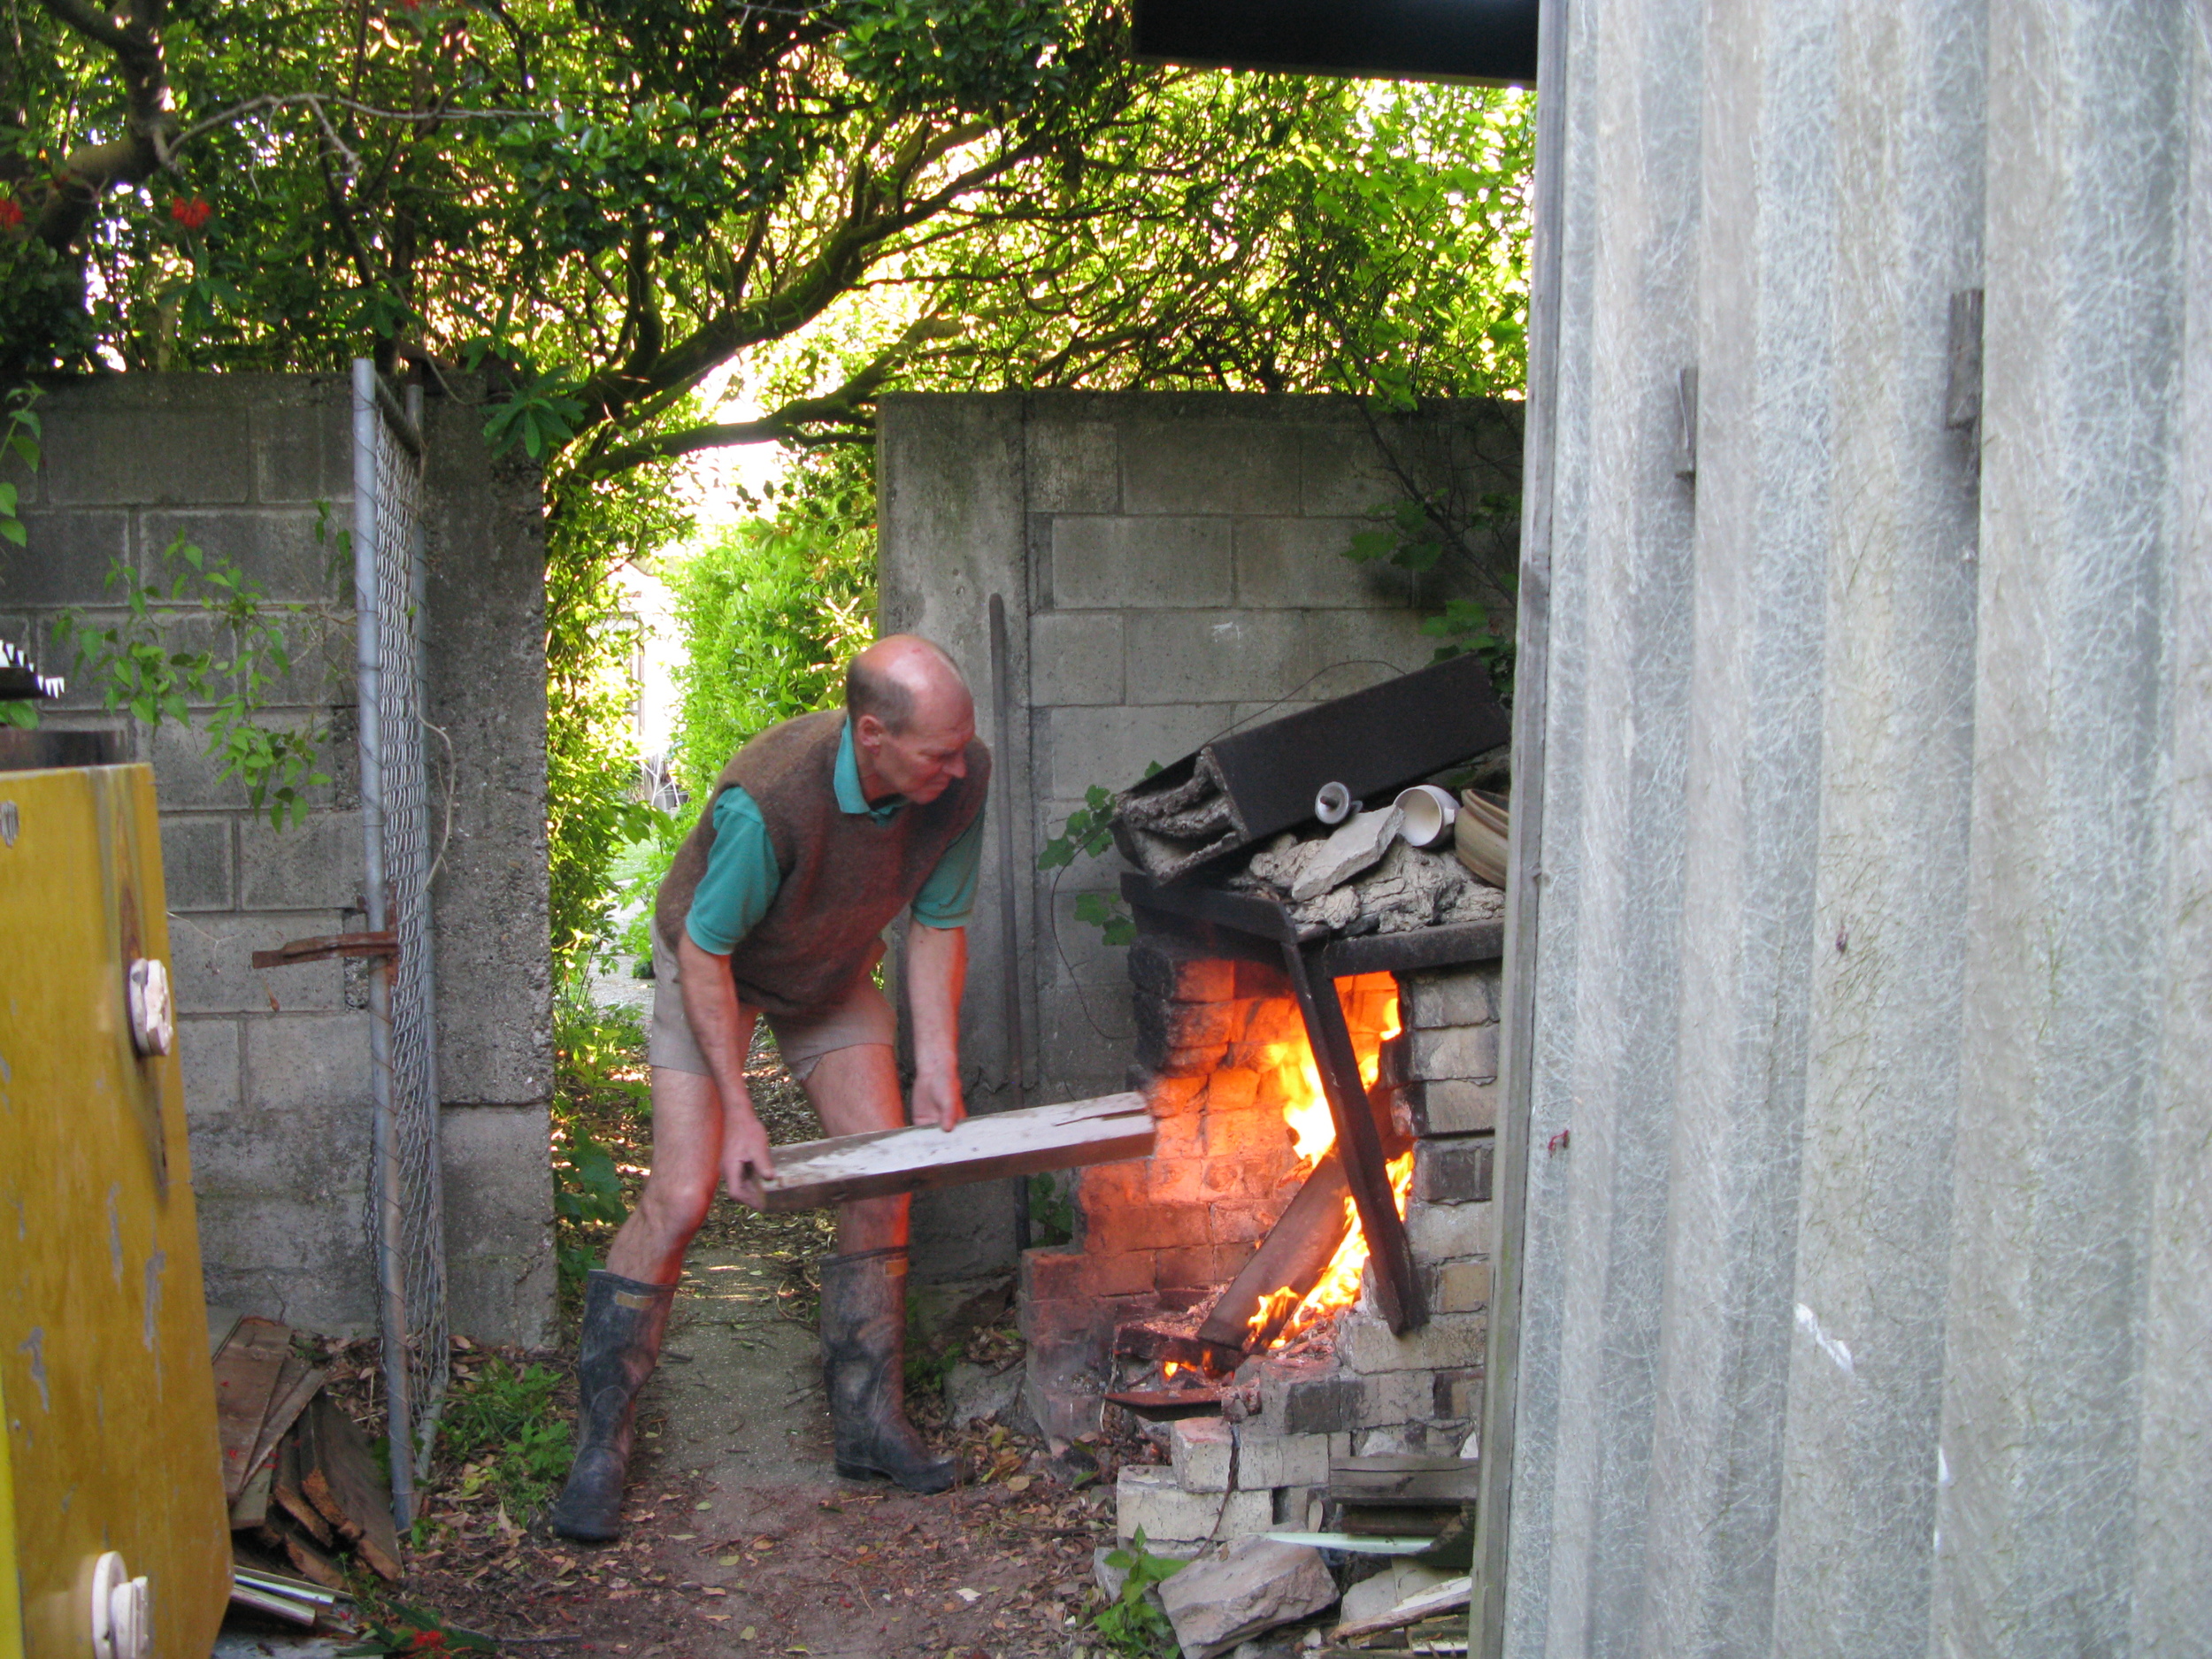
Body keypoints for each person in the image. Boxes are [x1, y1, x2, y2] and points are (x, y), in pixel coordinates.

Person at [549, 634, 990, 1541]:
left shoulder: (958, 779)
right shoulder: (772, 800)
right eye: (938, 752)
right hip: (716, 968)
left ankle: (872, 1424)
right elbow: (709, 953)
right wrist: (739, 1111)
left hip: (824, 972)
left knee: (882, 1175)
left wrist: (937, 1068)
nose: (959, 766)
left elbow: (939, 925)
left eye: (962, 747)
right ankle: (602, 1442)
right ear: (872, 735)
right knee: (679, 1195)